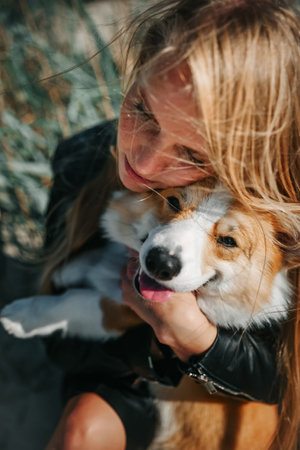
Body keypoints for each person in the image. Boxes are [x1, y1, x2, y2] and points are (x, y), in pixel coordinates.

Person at [42, 0, 300, 449]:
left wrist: (197, 339)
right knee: (81, 429)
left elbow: (281, 377)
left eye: (194, 155)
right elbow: (62, 346)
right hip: (130, 383)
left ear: (245, 158)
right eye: (142, 110)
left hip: (233, 403)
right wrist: (156, 342)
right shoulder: (82, 163)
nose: (143, 161)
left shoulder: (279, 208)